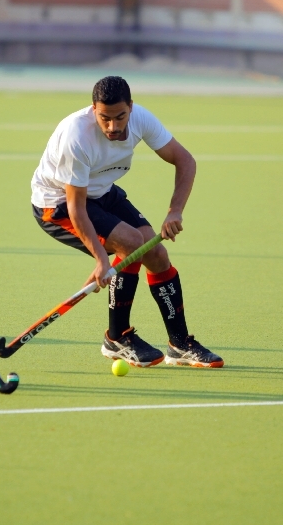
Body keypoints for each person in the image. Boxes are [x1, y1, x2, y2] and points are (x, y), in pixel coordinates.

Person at [30, 76, 223, 368]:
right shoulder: (76, 137)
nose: (112, 126)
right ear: (93, 109)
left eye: (120, 117)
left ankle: (180, 344)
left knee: (156, 254)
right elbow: (76, 208)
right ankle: (117, 338)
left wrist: (175, 211)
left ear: (130, 107)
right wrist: (100, 259)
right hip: (57, 203)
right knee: (132, 242)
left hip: (101, 192)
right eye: (104, 118)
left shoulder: (141, 118)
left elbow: (185, 160)